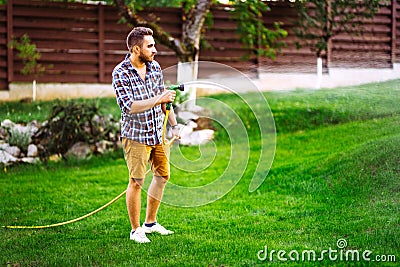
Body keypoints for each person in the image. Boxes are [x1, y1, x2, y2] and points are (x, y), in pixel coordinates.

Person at [112, 27, 180, 243]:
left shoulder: (155, 67)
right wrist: (159, 99)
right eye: (150, 46)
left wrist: (175, 125)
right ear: (136, 48)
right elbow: (129, 107)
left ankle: (150, 223)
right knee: (136, 182)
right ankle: (135, 230)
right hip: (136, 136)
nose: (155, 50)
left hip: (156, 133)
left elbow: (163, 100)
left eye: (154, 45)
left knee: (162, 176)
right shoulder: (120, 73)